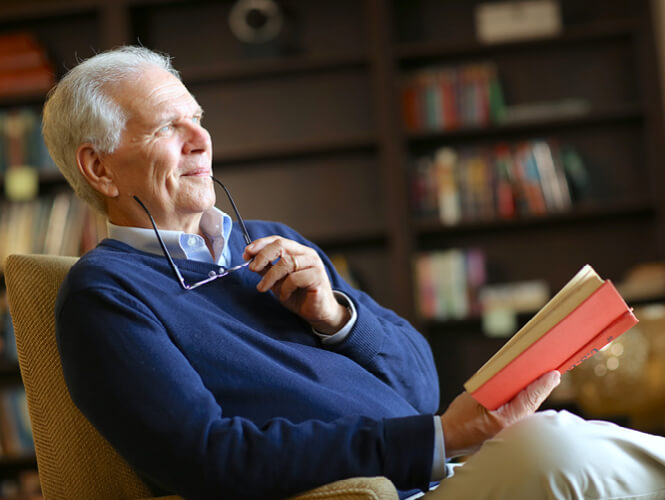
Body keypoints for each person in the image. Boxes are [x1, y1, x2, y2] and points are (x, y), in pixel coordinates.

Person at [42, 46, 665, 500]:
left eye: (198, 119)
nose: (200, 139)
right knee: (554, 445)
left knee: (559, 433)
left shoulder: (270, 242)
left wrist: (336, 317)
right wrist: (440, 437)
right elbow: (207, 457)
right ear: (99, 169)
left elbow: (418, 385)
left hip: (438, 472)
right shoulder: (105, 296)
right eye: (166, 128)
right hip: (382, 492)